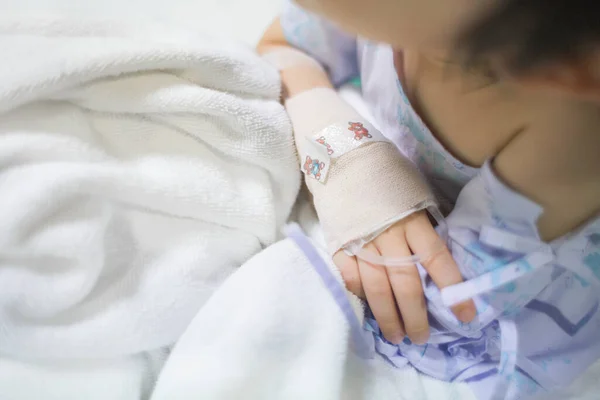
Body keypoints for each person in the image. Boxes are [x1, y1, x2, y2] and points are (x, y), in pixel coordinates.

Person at [258, 0, 600, 398]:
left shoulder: (568, 128)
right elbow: (283, 44)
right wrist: (349, 160)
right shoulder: (400, 16)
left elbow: (435, 312)